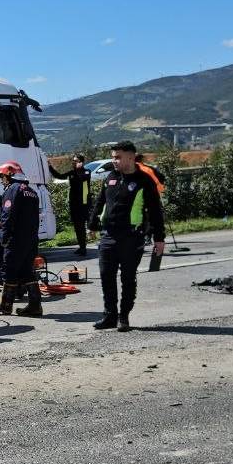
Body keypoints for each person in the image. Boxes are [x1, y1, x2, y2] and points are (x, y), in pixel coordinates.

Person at [88, 141, 165, 332]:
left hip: (132, 237)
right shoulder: (111, 177)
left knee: (128, 279)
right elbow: (100, 202)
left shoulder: (144, 181)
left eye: (118, 157)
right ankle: (109, 316)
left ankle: (124, 316)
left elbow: (156, 211)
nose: (114, 160)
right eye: (113, 156)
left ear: (131, 157)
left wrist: (159, 238)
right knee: (106, 277)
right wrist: (92, 225)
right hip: (108, 236)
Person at [0, 161, 43, 317]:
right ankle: (35, 305)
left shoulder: (12, 190)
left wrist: (4, 236)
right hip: (31, 239)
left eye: (2, 177)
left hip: (16, 238)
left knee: (9, 269)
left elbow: (7, 216)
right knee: (27, 271)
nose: (1, 180)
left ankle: (5, 304)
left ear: (9, 175)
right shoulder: (31, 191)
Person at [50, 154, 93, 256]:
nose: (73, 162)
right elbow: (59, 176)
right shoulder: (72, 173)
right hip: (74, 204)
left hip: (83, 204)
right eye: (73, 161)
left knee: (82, 227)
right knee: (77, 227)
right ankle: (81, 246)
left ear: (81, 162)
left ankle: (84, 248)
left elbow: (83, 179)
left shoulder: (86, 172)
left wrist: (78, 169)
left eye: (76, 161)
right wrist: (50, 167)